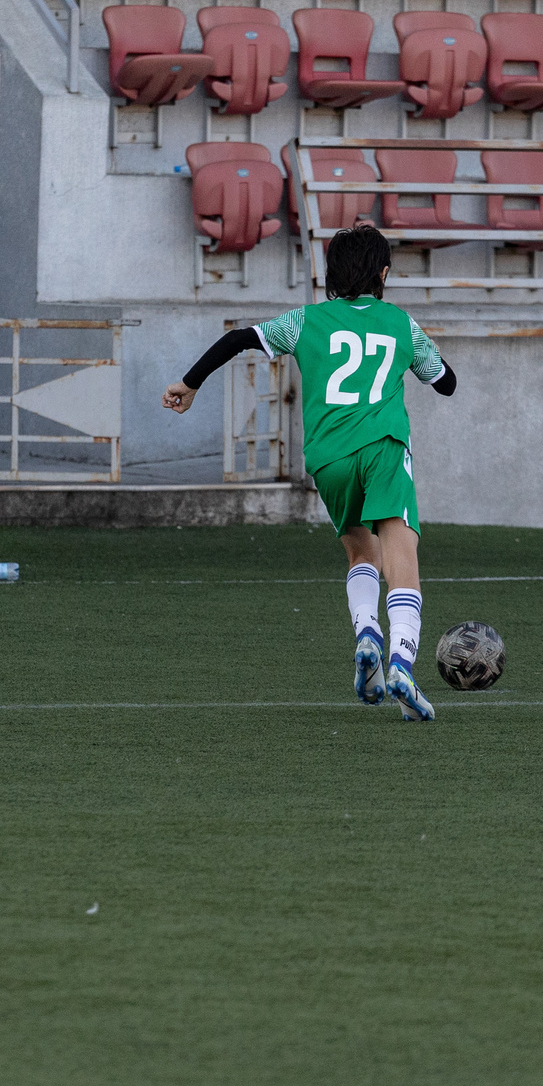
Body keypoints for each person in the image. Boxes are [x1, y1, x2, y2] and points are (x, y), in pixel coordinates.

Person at [161, 224, 458, 721]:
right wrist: (431, 362)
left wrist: (190, 384)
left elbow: (239, 338)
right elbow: (445, 383)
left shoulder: (306, 321)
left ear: (330, 276)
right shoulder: (402, 324)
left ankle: (367, 634)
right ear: (384, 273)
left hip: (328, 458)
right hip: (383, 447)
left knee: (360, 550)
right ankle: (402, 661)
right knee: (400, 548)